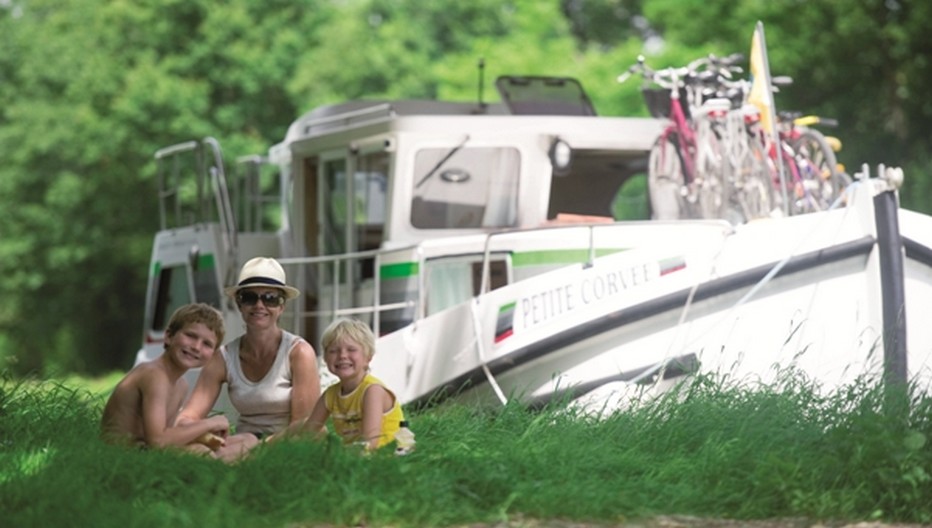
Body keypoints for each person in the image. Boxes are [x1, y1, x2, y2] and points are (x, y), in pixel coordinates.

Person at [176, 257, 321, 443]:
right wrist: (205, 430)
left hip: (284, 445)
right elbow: (188, 417)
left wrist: (261, 447)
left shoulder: (299, 353)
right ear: (239, 304)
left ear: (281, 307)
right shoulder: (223, 357)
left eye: (270, 298)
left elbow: (305, 427)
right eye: (250, 298)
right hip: (241, 441)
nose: (259, 305)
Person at [100, 303, 256, 461]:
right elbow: (158, 441)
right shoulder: (155, 375)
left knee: (249, 440)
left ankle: (226, 463)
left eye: (207, 344)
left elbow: (169, 436)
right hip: (127, 453)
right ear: (169, 336)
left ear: (212, 354)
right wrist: (209, 424)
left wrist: (202, 434)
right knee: (202, 452)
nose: (196, 347)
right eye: (191, 336)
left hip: (149, 449)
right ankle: (228, 466)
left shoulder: (181, 385)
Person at [295, 318, 407, 451]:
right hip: (355, 458)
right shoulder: (330, 395)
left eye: (351, 349)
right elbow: (307, 434)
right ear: (325, 358)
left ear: (368, 357)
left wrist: (332, 455)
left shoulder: (372, 391)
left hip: (388, 457)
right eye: (333, 351)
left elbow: (370, 443)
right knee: (297, 426)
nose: (342, 355)